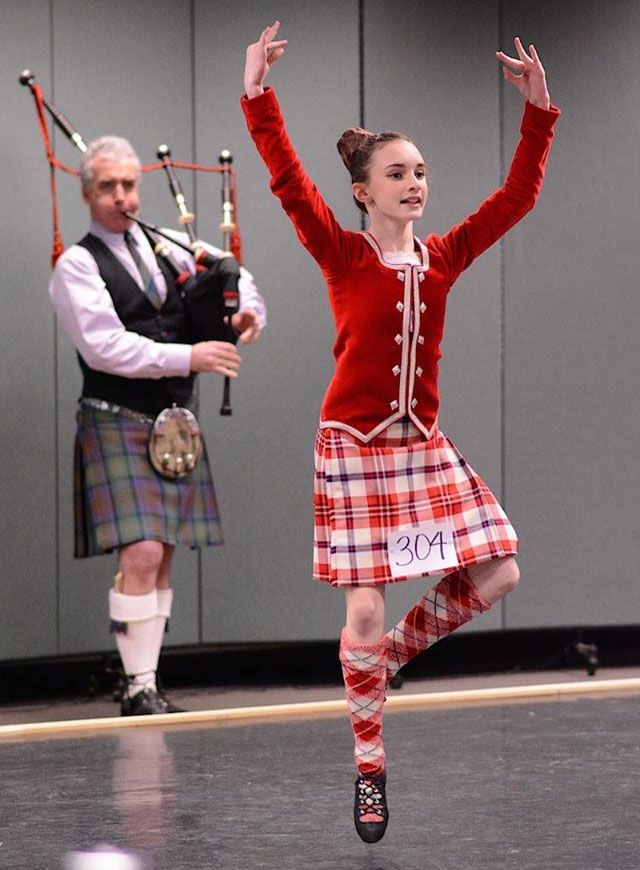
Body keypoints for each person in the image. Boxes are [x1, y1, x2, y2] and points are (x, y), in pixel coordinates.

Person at [242, 22, 559, 843]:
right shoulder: (343, 255)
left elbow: (516, 200)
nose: (414, 184)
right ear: (363, 190)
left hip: (419, 447)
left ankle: (379, 667)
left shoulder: (445, 256)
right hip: (354, 448)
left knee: (501, 571)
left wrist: (538, 114)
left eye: (420, 172)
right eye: (396, 174)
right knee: (364, 609)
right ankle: (371, 766)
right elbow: (286, 183)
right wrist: (258, 96)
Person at [49, 135, 266, 716]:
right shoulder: (76, 265)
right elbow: (104, 348)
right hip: (116, 416)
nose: (123, 198)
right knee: (142, 550)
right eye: (109, 188)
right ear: (88, 193)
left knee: (162, 551)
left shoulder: (166, 249)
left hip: (173, 422)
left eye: (130, 185)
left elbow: (235, 284)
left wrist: (242, 315)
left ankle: (144, 681)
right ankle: (138, 685)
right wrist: (189, 357)